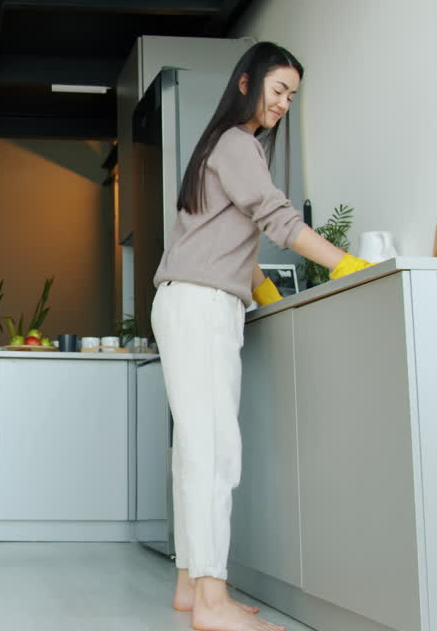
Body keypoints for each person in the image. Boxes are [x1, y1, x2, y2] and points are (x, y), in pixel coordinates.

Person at [150, 42, 371, 631]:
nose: (284, 104)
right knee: (215, 452)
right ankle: (213, 603)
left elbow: (224, 234)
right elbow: (274, 217)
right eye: (278, 90)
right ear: (246, 83)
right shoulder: (237, 143)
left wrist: (259, 287)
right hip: (200, 307)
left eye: (292, 96)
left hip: (185, 301)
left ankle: (189, 588)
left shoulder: (216, 147)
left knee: (194, 451)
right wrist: (345, 263)